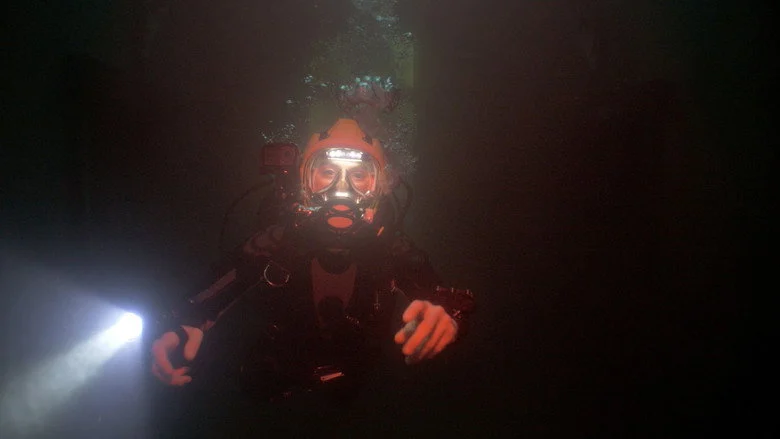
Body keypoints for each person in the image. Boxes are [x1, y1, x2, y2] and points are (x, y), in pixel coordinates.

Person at [149, 118, 475, 415]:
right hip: (280, 367)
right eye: (327, 172)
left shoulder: (389, 245)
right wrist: (186, 321)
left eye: (359, 175)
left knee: (346, 402)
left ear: (378, 187)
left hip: (355, 373)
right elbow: (227, 278)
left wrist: (450, 317)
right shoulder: (281, 239)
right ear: (305, 181)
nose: (342, 189)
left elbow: (438, 292)